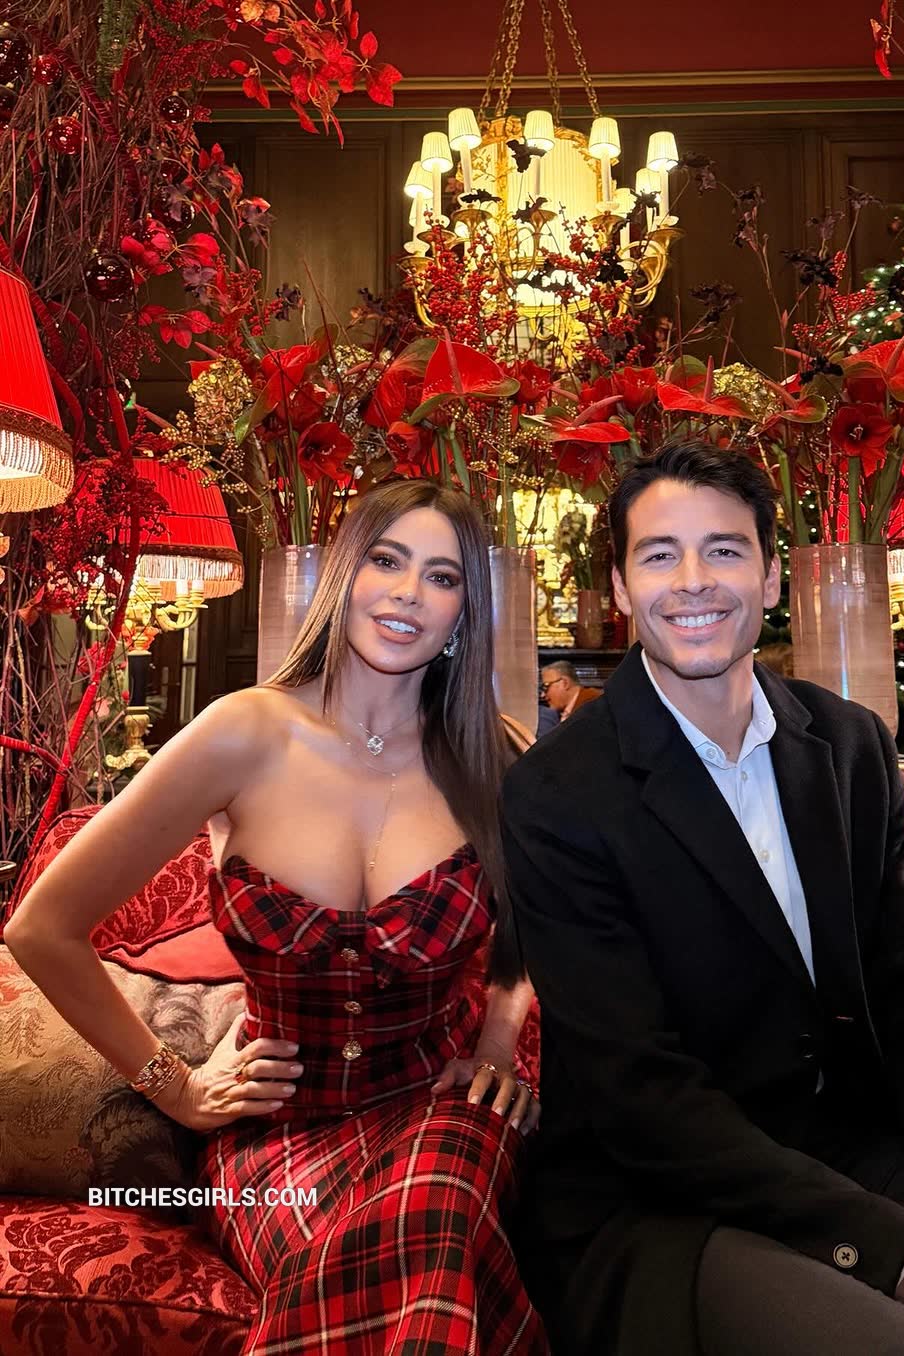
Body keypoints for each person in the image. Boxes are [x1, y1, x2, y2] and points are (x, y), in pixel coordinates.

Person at [500, 440, 904, 1356]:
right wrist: (902, 1260)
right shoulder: (557, 792)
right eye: (660, 555)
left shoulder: (849, 745)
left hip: (859, 1140)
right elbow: (638, 1093)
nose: (694, 581)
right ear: (620, 588)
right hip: (666, 1198)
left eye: (725, 550)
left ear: (772, 577)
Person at [7, 480, 548, 1356]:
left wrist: (495, 1044)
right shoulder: (244, 733)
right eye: (387, 560)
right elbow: (42, 928)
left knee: (436, 1203)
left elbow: (542, 924)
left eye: (443, 576)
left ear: (464, 613)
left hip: (435, 1109)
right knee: (409, 1242)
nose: (409, 593)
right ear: (343, 574)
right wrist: (175, 1088)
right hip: (274, 1136)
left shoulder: (498, 756)